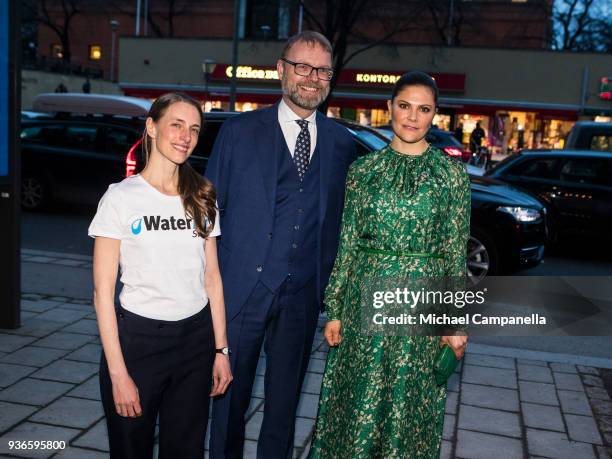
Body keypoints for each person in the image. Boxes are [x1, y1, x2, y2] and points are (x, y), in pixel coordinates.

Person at [206, 31, 357, 459]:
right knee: (228, 401)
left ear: (330, 77)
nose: (311, 78)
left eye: (322, 70)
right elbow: (209, 218)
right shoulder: (239, 133)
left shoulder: (341, 143)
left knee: (285, 406)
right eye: (302, 67)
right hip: (241, 293)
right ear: (280, 70)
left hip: (303, 296)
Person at [309, 71, 470, 458]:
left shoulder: (451, 175)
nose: (412, 117)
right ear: (389, 108)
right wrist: (334, 309)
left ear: (435, 116)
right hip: (364, 300)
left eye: (424, 109)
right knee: (357, 402)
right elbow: (347, 243)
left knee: (409, 405)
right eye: (404, 106)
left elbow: (455, 250)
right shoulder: (363, 172)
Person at [89, 92, 232, 459]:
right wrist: (119, 374)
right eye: (177, 125)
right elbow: (102, 293)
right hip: (138, 344)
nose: (186, 136)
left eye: (195, 129)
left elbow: (212, 279)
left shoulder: (202, 195)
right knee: (130, 450)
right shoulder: (121, 197)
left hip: (195, 342)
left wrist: (221, 350)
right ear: (152, 127)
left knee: (185, 451)